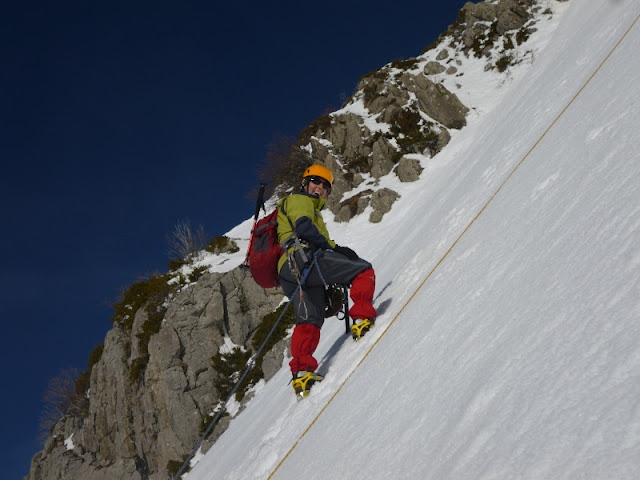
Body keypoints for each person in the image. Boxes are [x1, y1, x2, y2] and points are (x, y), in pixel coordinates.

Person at [277, 164, 377, 397]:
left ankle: (302, 375)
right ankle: (361, 318)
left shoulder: (305, 207)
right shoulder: (299, 201)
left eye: (325, 185)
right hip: (304, 259)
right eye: (315, 181)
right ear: (305, 183)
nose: (320, 187)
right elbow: (304, 228)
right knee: (363, 270)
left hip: (289, 272)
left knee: (309, 320)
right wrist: (336, 250)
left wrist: (334, 248)